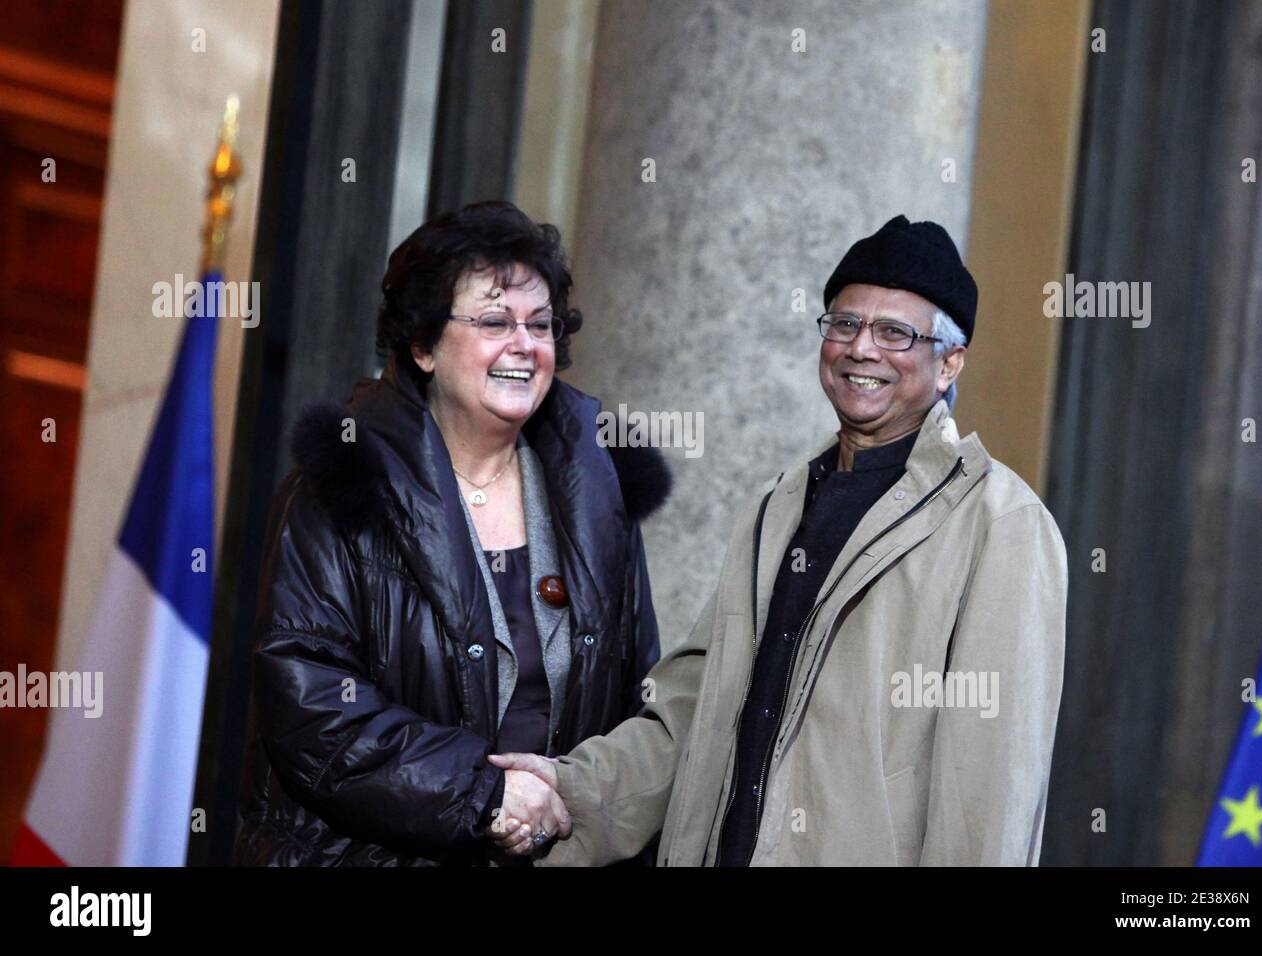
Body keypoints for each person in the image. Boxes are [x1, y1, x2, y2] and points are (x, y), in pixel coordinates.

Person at [494, 214, 1068, 866]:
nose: (862, 349)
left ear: (949, 363)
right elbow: (691, 715)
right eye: (845, 324)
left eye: (895, 333)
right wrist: (567, 790)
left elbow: (987, 798)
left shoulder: (1000, 525)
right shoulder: (777, 508)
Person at [234, 201, 668, 865]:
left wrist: (574, 804)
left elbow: (639, 706)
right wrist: (487, 795)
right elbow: (313, 709)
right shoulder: (342, 486)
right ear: (424, 345)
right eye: (494, 321)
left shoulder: (597, 494)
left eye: (542, 325)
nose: (524, 345)